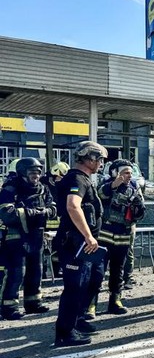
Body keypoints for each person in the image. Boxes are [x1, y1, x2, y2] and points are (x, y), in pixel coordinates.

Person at [53, 141, 108, 347]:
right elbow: (73, 206)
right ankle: (65, 333)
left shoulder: (83, 179)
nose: (101, 163)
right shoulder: (77, 179)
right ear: (90, 158)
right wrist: (88, 236)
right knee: (75, 286)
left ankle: (78, 320)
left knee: (92, 280)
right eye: (99, 159)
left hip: (85, 245)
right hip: (76, 243)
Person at [0, 158, 57, 320]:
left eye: (39, 172)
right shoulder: (10, 188)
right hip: (15, 236)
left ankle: (33, 303)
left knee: (36, 270)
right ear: (23, 173)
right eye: (33, 172)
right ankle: (8, 306)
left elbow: (53, 209)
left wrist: (38, 212)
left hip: (37, 235)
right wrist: (36, 213)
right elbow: (6, 214)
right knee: (16, 271)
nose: (36, 176)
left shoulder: (43, 189)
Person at [94, 159, 145, 316]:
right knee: (97, 271)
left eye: (130, 173)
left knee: (118, 271)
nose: (129, 176)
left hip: (123, 234)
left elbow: (140, 213)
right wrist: (113, 186)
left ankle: (115, 301)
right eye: (125, 173)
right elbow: (99, 196)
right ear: (115, 173)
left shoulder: (134, 187)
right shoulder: (105, 184)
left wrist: (138, 207)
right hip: (104, 234)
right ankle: (90, 304)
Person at [42, 161, 70, 279]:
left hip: (59, 224)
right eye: (61, 176)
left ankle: (57, 269)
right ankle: (43, 272)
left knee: (59, 247)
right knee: (44, 249)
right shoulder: (43, 185)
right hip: (45, 224)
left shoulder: (61, 185)